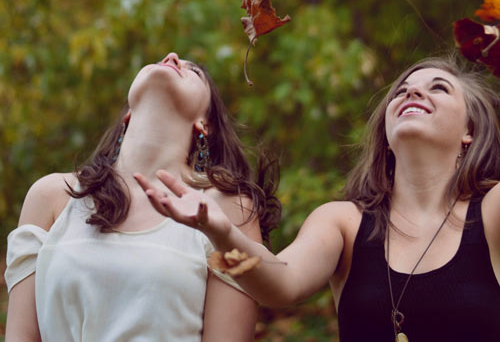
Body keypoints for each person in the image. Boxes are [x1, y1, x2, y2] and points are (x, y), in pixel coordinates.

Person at [136, 56, 500, 342]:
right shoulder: (342, 222)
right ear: (386, 134)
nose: (412, 93)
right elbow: (278, 285)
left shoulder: (493, 210)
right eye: (401, 91)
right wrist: (221, 232)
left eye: (439, 88)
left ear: (470, 130)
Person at [4, 52, 281, 342]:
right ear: (128, 114)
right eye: (165, 59)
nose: (172, 57)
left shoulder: (225, 211)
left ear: (205, 123)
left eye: (194, 71)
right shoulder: (51, 198)